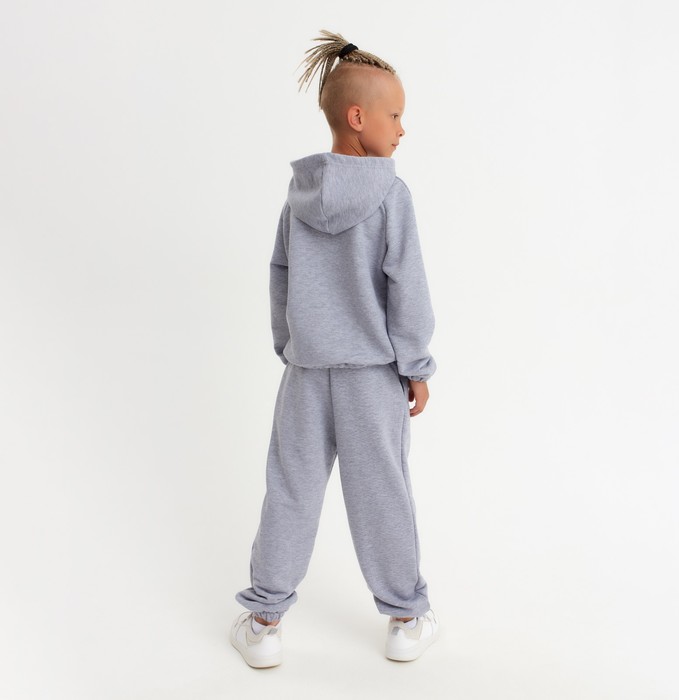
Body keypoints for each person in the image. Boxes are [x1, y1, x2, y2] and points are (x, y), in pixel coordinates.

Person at [230, 29, 439, 668]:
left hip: (305, 373)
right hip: (371, 376)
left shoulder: (297, 199)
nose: (402, 128)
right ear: (358, 118)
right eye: (394, 115)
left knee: (290, 489)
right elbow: (407, 287)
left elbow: (280, 276)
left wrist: (292, 345)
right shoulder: (391, 196)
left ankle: (264, 621)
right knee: (381, 492)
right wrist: (416, 365)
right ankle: (406, 617)